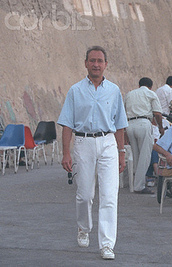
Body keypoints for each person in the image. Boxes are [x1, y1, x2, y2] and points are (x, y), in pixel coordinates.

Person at [57, 46, 128, 259]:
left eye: (100, 60)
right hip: (83, 143)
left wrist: (121, 152)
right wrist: (66, 153)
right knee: (85, 194)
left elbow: (120, 124)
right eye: (92, 60)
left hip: (107, 142)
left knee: (109, 195)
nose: (96, 64)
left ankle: (107, 244)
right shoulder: (75, 91)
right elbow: (67, 124)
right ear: (86, 63)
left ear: (106, 64)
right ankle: (83, 227)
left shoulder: (114, 90)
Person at [124, 77, 164, 194]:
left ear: (139, 85)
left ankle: (136, 182)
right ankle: (139, 186)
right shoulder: (151, 94)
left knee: (136, 155)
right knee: (145, 156)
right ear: (150, 86)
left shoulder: (129, 94)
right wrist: (160, 127)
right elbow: (157, 113)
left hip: (130, 124)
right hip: (144, 123)